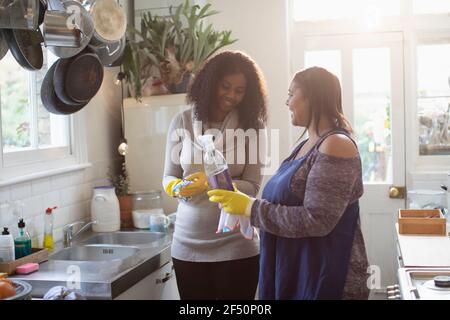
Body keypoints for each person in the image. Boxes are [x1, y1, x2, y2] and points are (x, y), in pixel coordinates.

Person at [208, 66, 370, 300]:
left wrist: (250, 207)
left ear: (312, 98)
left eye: (291, 94)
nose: (287, 102)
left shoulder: (336, 145)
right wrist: (241, 203)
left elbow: (317, 221)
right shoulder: (305, 145)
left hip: (326, 276)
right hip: (295, 270)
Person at [162, 51, 268, 300]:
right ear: (210, 83)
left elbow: (253, 186)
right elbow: (168, 176)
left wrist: (209, 182)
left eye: (240, 90)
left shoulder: (253, 127)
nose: (231, 95)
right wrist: (176, 188)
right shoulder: (183, 122)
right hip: (188, 245)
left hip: (237, 246)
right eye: (226, 86)